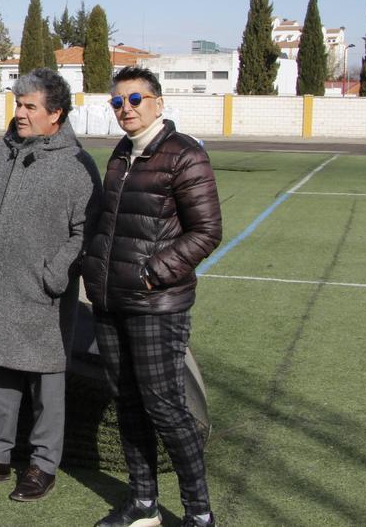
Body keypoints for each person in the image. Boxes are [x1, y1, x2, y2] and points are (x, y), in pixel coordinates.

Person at [0, 68, 102, 502]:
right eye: (18, 104)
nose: (20, 113)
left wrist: (55, 274)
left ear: (56, 114)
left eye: (30, 106)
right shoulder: (0, 152)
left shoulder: (77, 166)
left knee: (45, 384)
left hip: (43, 295)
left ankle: (42, 465)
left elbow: (86, 230)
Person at [82, 66, 222, 527]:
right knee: (126, 402)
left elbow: (206, 231)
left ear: (158, 103)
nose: (126, 109)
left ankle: (199, 513)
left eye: (135, 99)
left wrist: (152, 273)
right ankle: (143, 503)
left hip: (156, 303)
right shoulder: (121, 153)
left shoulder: (184, 155)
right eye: (117, 102)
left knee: (165, 406)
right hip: (111, 301)